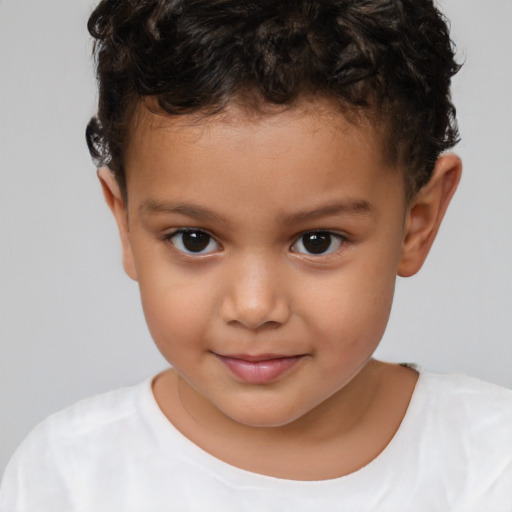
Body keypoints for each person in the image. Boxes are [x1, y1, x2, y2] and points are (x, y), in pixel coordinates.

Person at [1, 0, 511, 509]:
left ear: (415, 225)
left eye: (317, 241)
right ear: (125, 222)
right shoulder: (66, 477)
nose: (253, 307)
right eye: (194, 239)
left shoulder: (492, 465)